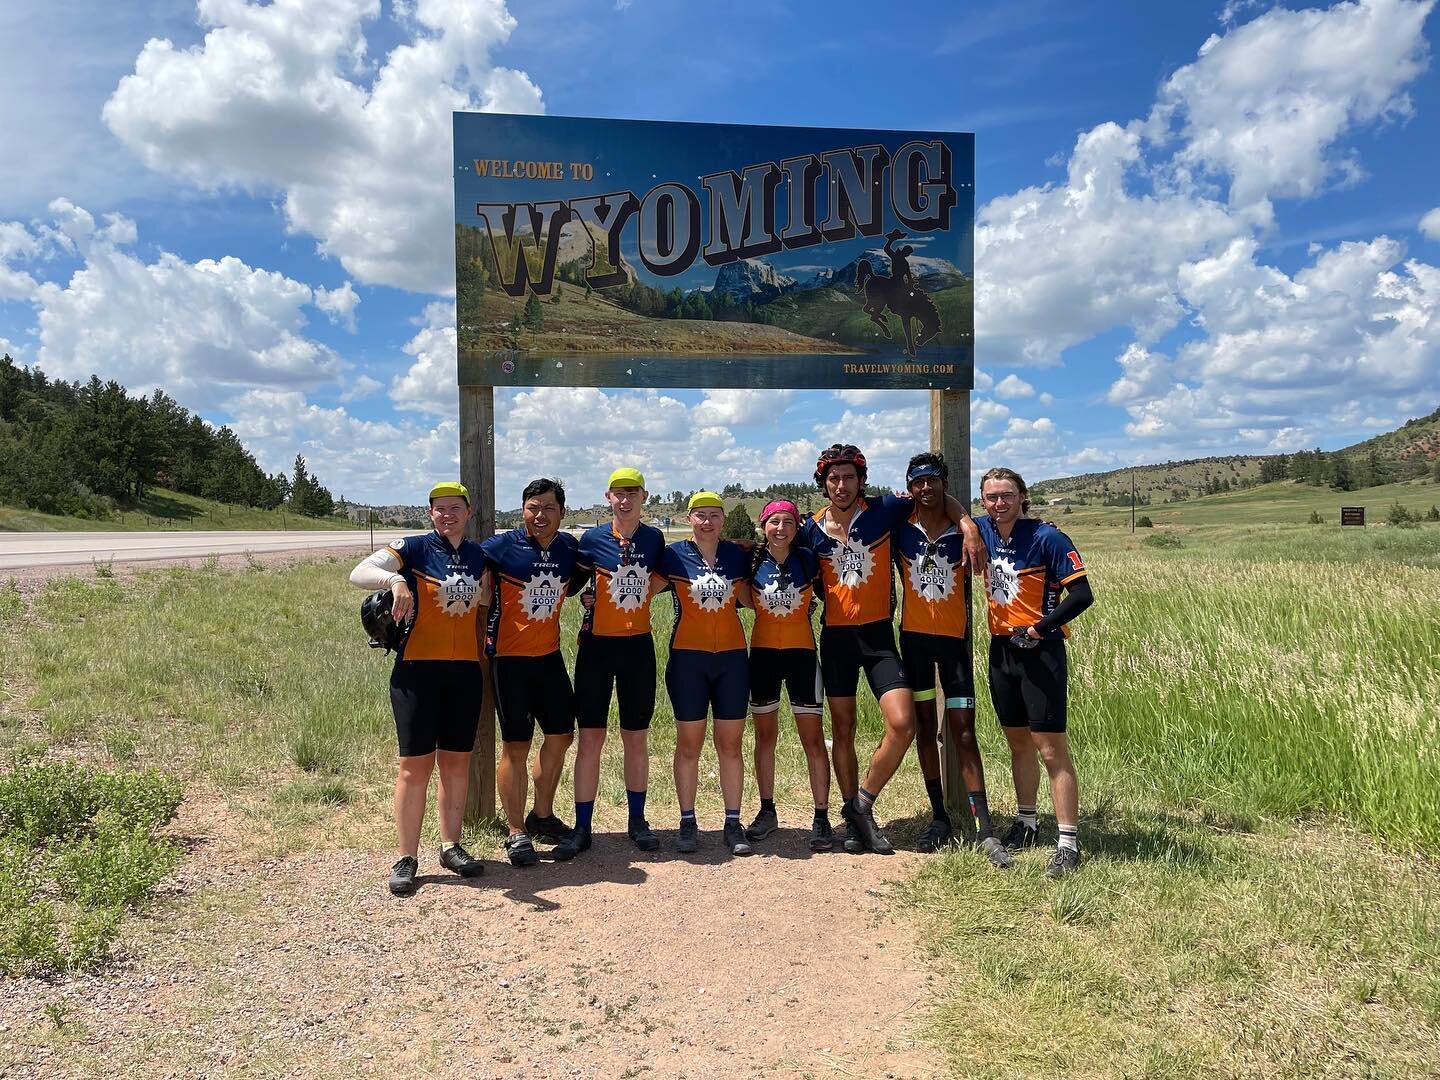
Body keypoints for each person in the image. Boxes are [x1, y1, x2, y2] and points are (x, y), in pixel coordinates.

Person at [799, 444, 985, 855]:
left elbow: (933, 494)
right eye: (833, 478)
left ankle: (864, 801)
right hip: (836, 640)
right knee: (843, 730)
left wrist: (968, 525)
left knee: (902, 724)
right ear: (823, 483)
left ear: (861, 479)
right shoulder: (809, 529)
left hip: (880, 638)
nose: (841, 485)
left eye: (849, 477)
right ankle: (853, 818)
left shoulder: (885, 509)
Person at [349, 481, 490, 896]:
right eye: (440, 509)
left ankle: (450, 845)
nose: (448, 515)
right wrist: (396, 583)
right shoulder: (412, 548)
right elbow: (359, 572)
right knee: (414, 767)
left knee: (457, 764)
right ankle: (407, 856)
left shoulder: (478, 555)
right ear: (430, 514)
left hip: (464, 671)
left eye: (455, 508)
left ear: (469, 512)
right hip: (416, 672)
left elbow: (484, 606)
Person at [976, 467, 1095, 880]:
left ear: (1022, 496)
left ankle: (1067, 843)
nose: (999, 503)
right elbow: (953, 514)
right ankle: (1026, 823)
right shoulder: (984, 530)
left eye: (1007, 495)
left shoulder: (1047, 537)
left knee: (1050, 749)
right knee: (1018, 744)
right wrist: (968, 529)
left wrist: (1039, 628)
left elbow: (1082, 594)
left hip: (1040, 649)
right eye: (991, 497)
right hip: (1000, 648)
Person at [894, 453, 1011, 868]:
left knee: (963, 733)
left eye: (932, 481)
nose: (925, 488)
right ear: (909, 486)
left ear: (944, 484)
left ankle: (985, 828)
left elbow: (964, 515)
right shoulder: (899, 526)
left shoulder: (970, 531)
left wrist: (967, 525)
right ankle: (939, 816)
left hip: (954, 644)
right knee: (925, 727)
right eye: (918, 482)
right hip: (914, 643)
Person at [558, 467, 669, 860]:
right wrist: (591, 597)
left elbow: (669, 575)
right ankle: (582, 827)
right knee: (590, 739)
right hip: (597, 649)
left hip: (638, 647)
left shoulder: (655, 539)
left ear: (644, 496)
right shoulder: (591, 539)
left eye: (632, 493)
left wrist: (645, 596)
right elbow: (573, 584)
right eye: (618, 494)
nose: (625, 500)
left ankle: (637, 821)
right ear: (608, 497)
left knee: (635, 737)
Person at [479, 478, 580, 867]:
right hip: (509, 661)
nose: (540, 515)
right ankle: (516, 831)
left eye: (548, 508)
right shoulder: (501, 546)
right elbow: (462, 565)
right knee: (516, 747)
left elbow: (589, 577)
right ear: (523, 510)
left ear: (562, 513)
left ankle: (542, 816)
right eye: (533, 507)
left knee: (561, 736)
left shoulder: (569, 547)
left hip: (549, 657)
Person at [658, 491, 754, 856]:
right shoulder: (671, 556)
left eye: (715, 515)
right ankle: (687, 822)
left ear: (723, 521)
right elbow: (639, 591)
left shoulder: (736, 556)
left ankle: (733, 822)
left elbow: (750, 599)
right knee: (689, 745)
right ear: (689, 519)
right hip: (687, 661)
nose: (708, 522)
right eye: (701, 516)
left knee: (730, 745)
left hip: (731, 660)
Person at [744, 499, 830, 850]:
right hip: (762, 656)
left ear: (797, 529)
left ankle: (822, 817)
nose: (781, 529)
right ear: (763, 526)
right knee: (765, 738)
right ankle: (767, 811)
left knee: (812, 740)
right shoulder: (750, 562)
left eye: (788, 523)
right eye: (774, 522)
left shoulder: (808, 559)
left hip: (803, 657)